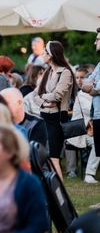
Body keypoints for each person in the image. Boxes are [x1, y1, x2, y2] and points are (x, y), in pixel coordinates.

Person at [32, 40, 76, 179]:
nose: (42, 54)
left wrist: (42, 96)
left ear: (51, 55)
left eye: (45, 52)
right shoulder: (48, 71)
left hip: (57, 118)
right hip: (44, 116)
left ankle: (59, 190)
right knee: (46, 157)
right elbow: (34, 95)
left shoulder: (65, 72)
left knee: (54, 157)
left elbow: (57, 95)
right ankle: (52, 188)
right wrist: (44, 103)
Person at [63, 66, 92, 179]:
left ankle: (86, 166)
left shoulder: (90, 91)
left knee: (71, 133)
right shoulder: (71, 91)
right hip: (75, 124)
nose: (79, 80)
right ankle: (71, 170)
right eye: (77, 77)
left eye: (82, 77)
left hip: (88, 125)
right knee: (68, 136)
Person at [81, 29, 100, 184]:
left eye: (98, 39)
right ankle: (89, 174)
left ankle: (89, 174)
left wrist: (93, 87)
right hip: (97, 113)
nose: (95, 42)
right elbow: (85, 84)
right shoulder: (99, 64)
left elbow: (95, 88)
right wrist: (92, 86)